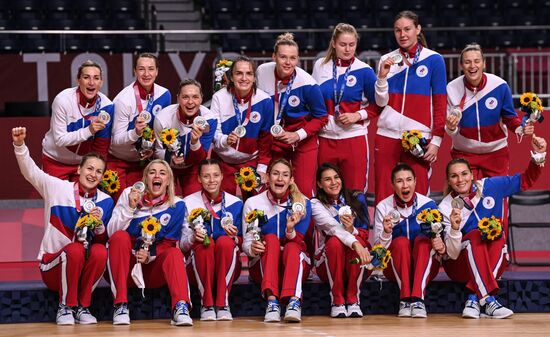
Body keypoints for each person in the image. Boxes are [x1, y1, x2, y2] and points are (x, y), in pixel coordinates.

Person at [12, 126, 114, 325]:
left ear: (103, 176)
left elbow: (101, 239)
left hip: (82, 268)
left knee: (101, 251)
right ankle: (65, 307)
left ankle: (83, 307)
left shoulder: (106, 201)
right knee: (74, 250)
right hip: (53, 266)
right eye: (90, 168)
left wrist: (100, 225)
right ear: (79, 169)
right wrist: (19, 145)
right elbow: (31, 172)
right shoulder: (58, 188)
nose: (93, 174)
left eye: (99, 171)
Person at [439, 136, 547, 319]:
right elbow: (453, 254)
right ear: (449, 181)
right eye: (454, 176)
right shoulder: (445, 207)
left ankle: (474, 298)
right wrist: (455, 229)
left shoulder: (491, 186)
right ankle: (489, 301)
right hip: (459, 266)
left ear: (472, 175)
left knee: (497, 235)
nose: (460, 179)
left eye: (464, 174)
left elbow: (525, 180)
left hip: (492, 259)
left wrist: (539, 154)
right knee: (474, 236)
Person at [106, 159, 193, 326]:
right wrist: (131, 207)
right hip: (126, 268)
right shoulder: (128, 194)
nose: (157, 176)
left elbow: (169, 243)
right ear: (145, 178)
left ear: (168, 180)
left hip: (153, 270)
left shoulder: (177, 204)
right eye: (152, 172)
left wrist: (149, 256)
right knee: (119, 237)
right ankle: (120, 305)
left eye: (162, 173)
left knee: (174, 253)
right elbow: (112, 232)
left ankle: (181, 307)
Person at [373, 11, 447, 204]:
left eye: (407, 29)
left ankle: (420, 235)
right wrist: (381, 77)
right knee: (384, 193)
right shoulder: (386, 60)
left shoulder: (434, 60)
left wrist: (437, 140)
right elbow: (381, 103)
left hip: (418, 136)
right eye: (398, 30)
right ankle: (384, 234)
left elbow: (440, 103)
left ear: (418, 29)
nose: (402, 34)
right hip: (387, 134)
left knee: (419, 193)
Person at [312, 23, 389, 192]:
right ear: (333, 43)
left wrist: (357, 115)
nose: (347, 49)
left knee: (355, 192)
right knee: (325, 192)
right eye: (342, 44)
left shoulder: (364, 71)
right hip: (325, 138)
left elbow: (379, 105)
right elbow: (313, 100)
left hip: (353, 138)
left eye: (351, 45)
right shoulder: (320, 66)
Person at [446, 43, 534, 179]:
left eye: (477, 61)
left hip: (496, 152)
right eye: (467, 62)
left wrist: (521, 128)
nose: (472, 66)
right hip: (464, 153)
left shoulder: (499, 86)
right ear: (461, 65)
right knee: (465, 199)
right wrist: (450, 127)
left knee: (497, 198)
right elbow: (451, 129)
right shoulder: (451, 89)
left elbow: (509, 117)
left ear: (484, 63)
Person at [256, 33, 328, 198]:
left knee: (302, 193)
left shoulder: (307, 83)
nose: (288, 62)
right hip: (274, 140)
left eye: (292, 58)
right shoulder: (262, 71)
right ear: (274, 56)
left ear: (297, 60)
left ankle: (305, 224)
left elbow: (322, 117)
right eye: (283, 57)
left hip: (302, 142)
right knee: (271, 189)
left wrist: (297, 135)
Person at [242, 159, 311, 323]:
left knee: (292, 247)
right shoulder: (253, 203)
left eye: (285, 175)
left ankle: (294, 302)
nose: (280, 179)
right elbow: (246, 243)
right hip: (264, 265)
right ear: (267, 178)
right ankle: (272, 302)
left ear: (291, 180)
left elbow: (299, 242)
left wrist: (290, 229)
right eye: (275, 173)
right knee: (271, 240)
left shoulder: (302, 203)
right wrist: (253, 248)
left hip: (293, 262)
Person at [374, 163, 443, 318]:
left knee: (423, 241)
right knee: (400, 242)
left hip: (425, 267)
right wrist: (386, 233)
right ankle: (405, 299)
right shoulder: (383, 207)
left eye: (409, 180)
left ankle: (418, 299)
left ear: (415, 181)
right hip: (395, 269)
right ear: (392, 184)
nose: (405, 185)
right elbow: (378, 257)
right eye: (399, 181)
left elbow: (439, 246)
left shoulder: (429, 205)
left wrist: (438, 241)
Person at [179, 159, 243, 321]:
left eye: (215, 175)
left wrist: (235, 237)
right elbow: (183, 244)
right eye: (206, 176)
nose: (212, 180)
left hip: (227, 265)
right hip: (198, 266)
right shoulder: (188, 202)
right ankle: (206, 303)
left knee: (225, 242)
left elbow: (244, 241)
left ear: (222, 176)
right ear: (199, 179)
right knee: (205, 244)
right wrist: (193, 237)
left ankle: (223, 304)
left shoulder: (235, 203)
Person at [311, 162, 372, 318]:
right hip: (328, 264)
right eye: (327, 179)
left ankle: (353, 299)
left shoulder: (357, 198)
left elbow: (365, 233)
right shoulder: (315, 204)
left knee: (356, 239)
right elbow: (332, 228)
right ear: (319, 184)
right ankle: (337, 299)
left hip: (358, 263)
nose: (334, 182)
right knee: (335, 241)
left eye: (336, 177)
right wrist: (355, 242)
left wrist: (352, 230)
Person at [109, 53, 172, 199]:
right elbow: (116, 140)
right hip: (119, 160)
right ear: (135, 71)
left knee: (143, 205)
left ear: (157, 71)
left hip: (144, 161)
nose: (146, 74)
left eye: (151, 69)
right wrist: (135, 132)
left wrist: (152, 149)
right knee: (122, 205)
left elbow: (161, 131)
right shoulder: (123, 100)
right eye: (141, 69)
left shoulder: (164, 95)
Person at [211, 56, 274, 196]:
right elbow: (215, 132)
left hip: (250, 160)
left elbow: (266, 139)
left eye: (249, 74)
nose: (244, 78)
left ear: (254, 78)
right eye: (239, 73)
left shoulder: (264, 100)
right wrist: (225, 140)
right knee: (224, 204)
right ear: (231, 77)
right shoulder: (219, 97)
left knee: (256, 205)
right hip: (223, 160)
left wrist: (262, 168)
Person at [42, 60, 114, 181]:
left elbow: (101, 146)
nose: (91, 83)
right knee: (57, 200)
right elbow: (60, 140)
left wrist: (99, 170)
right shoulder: (63, 100)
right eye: (86, 77)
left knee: (85, 200)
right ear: (78, 80)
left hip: (84, 165)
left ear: (101, 83)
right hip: (55, 161)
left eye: (96, 78)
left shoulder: (107, 106)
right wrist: (89, 130)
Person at [154, 79, 217, 197]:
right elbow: (158, 150)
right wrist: (171, 159)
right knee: (169, 203)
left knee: (193, 204)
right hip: (168, 167)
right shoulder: (163, 118)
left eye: (195, 97)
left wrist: (194, 142)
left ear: (201, 98)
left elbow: (201, 158)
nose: (190, 102)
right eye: (185, 97)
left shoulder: (209, 120)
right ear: (178, 98)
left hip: (193, 168)